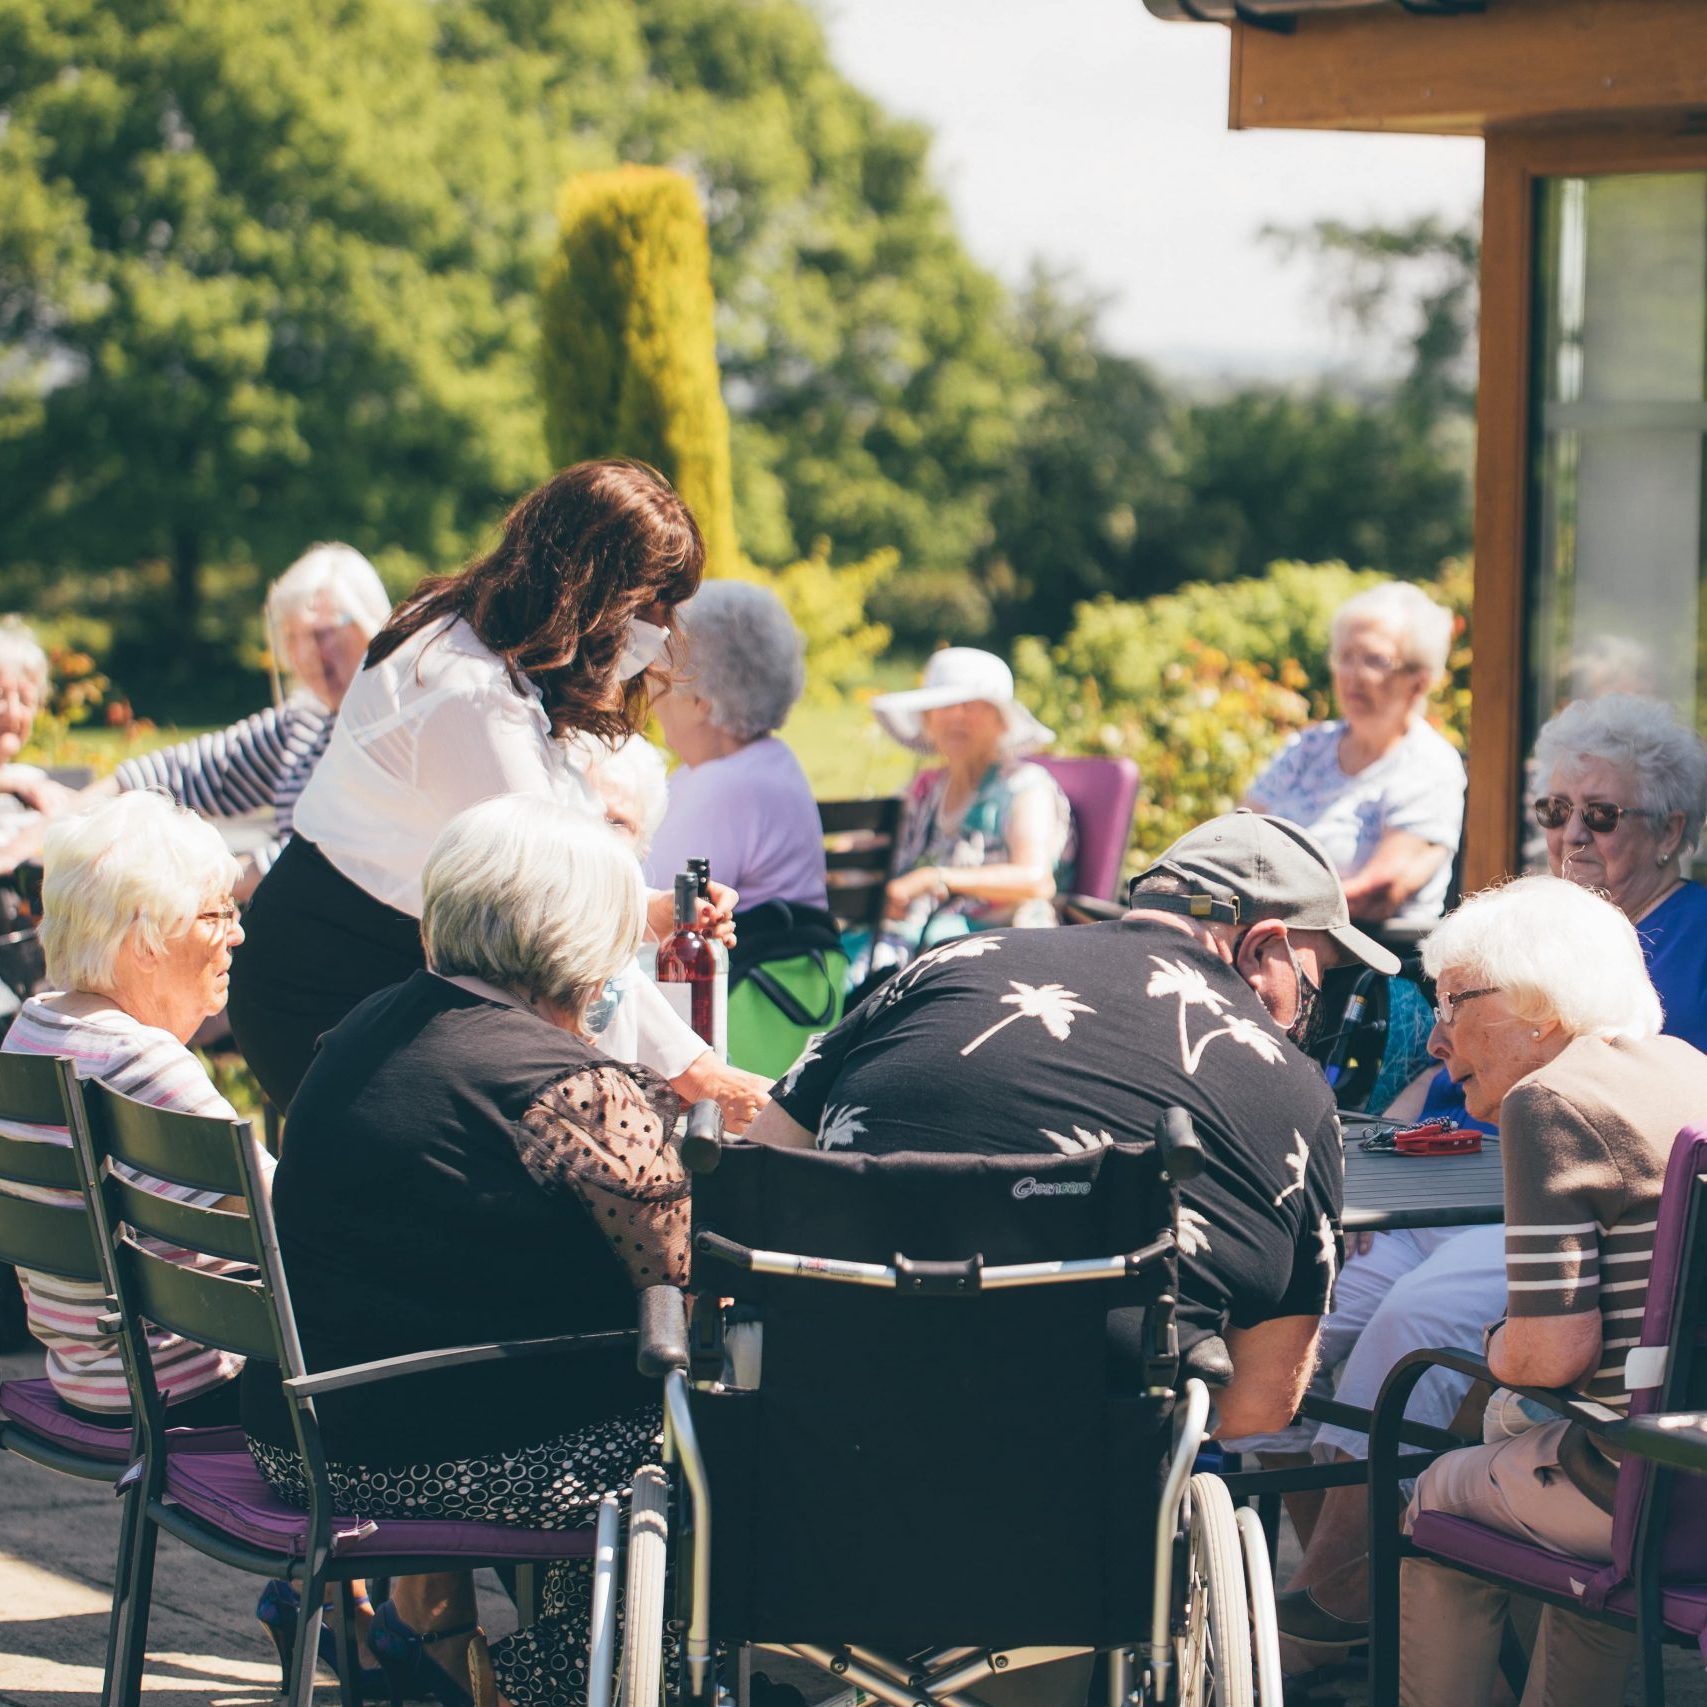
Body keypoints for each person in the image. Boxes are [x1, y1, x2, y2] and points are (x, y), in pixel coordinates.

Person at [1274, 694, 1707, 1665]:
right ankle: (1335, 1575)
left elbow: (1627, 1127)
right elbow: (1450, 1070)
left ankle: (1342, 1595)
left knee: (1415, 1325)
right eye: (1555, 812)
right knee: (1325, 1297)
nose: (1572, 836)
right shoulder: (1535, 930)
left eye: (1602, 815)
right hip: (1477, 1179)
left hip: (1579, 1205)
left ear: (1671, 829)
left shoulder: (1690, 943)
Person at [749, 810, 1400, 1443]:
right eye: (1320, 981)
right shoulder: (1294, 1090)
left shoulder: (939, 968)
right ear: (1264, 947)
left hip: (821, 1434)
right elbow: (1260, 1403)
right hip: (1088, 1492)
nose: (1316, 1017)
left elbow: (757, 1165)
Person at [240, 795, 689, 1707]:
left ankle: (450, 1650)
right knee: (703, 1441)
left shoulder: (366, 1025)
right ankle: (543, 1683)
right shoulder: (575, 1086)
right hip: (429, 1447)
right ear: (584, 937)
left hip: (302, 1426)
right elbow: (678, 1282)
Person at [225, 460, 769, 1128]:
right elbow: (552, 906)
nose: (658, 628)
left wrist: (646, 909)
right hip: (331, 983)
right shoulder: (469, 693)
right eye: (647, 605)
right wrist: (694, 1070)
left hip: (384, 965)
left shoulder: (471, 640)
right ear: (590, 590)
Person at [1398, 876, 1707, 1707]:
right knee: (1568, 1448)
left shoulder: (1550, 1098)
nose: (1436, 1041)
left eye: (1452, 1003)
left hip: (1646, 1490)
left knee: (1433, 1489)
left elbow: (1545, 1353)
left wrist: (1498, 1343)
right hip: (1690, 1458)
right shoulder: (1688, 1067)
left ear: (1537, 1004)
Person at [0, 791, 266, 1421]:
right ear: (146, 939)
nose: (237, 932)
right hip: (193, 1388)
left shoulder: (29, 1034)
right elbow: (298, 1223)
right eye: (214, 914)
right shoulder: (144, 1065)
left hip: (87, 1381)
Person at [1246, 582, 1464, 924]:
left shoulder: (1429, 765)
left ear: (1419, 681)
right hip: (1260, 937)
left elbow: (1379, 892)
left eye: (1375, 660)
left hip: (1361, 964)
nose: (1352, 675)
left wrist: (1257, 912)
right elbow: (1233, 836)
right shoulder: (1307, 749)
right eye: (1344, 657)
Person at [868, 647, 1071, 953]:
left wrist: (933, 878)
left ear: (1002, 722)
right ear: (927, 718)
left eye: (973, 706)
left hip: (989, 949)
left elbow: (1036, 879)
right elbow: (875, 847)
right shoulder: (926, 789)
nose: (956, 716)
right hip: (912, 936)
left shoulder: (1025, 786)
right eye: (944, 705)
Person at [646, 580, 827, 911]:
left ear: (701, 699)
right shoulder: (775, 760)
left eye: (661, 680)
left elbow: (653, 900)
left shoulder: (722, 786)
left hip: (742, 961)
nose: (651, 699)